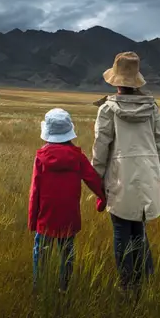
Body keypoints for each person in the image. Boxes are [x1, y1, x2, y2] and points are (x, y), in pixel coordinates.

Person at [92, 51, 160, 293]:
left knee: (121, 229)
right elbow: (159, 142)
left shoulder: (107, 109)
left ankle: (127, 285)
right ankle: (146, 279)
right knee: (139, 228)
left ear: (115, 82)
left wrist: (97, 180)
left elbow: (101, 147)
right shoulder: (152, 107)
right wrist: (157, 173)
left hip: (120, 176)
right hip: (147, 175)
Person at [28, 108, 106, 292]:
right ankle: (64, 288)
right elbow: (93, 180)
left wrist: (33, 221)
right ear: (69, 131)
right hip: (69, 216)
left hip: (45, 217)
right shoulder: (78, 157)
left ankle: (39, 287)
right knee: (67, 252)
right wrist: (102, 199)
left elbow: (35, 191)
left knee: (42, 254)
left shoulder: (41, 157)